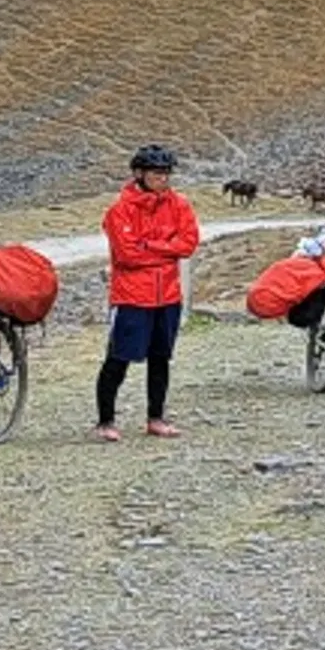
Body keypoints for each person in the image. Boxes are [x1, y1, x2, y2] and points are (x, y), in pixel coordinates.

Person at [96, 146, 202, 441]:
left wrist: (149, 246)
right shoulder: (119, 211)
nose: (163, 179)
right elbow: (127, 255)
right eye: (157, 173)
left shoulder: (180, 205)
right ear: (139, 174)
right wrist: (167, 250)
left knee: (160, 358)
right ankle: (105, 421)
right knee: (118, 358)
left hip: (168, 296)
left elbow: (188, 244)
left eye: (166, 173)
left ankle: (156, 418)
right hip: (131, 297)